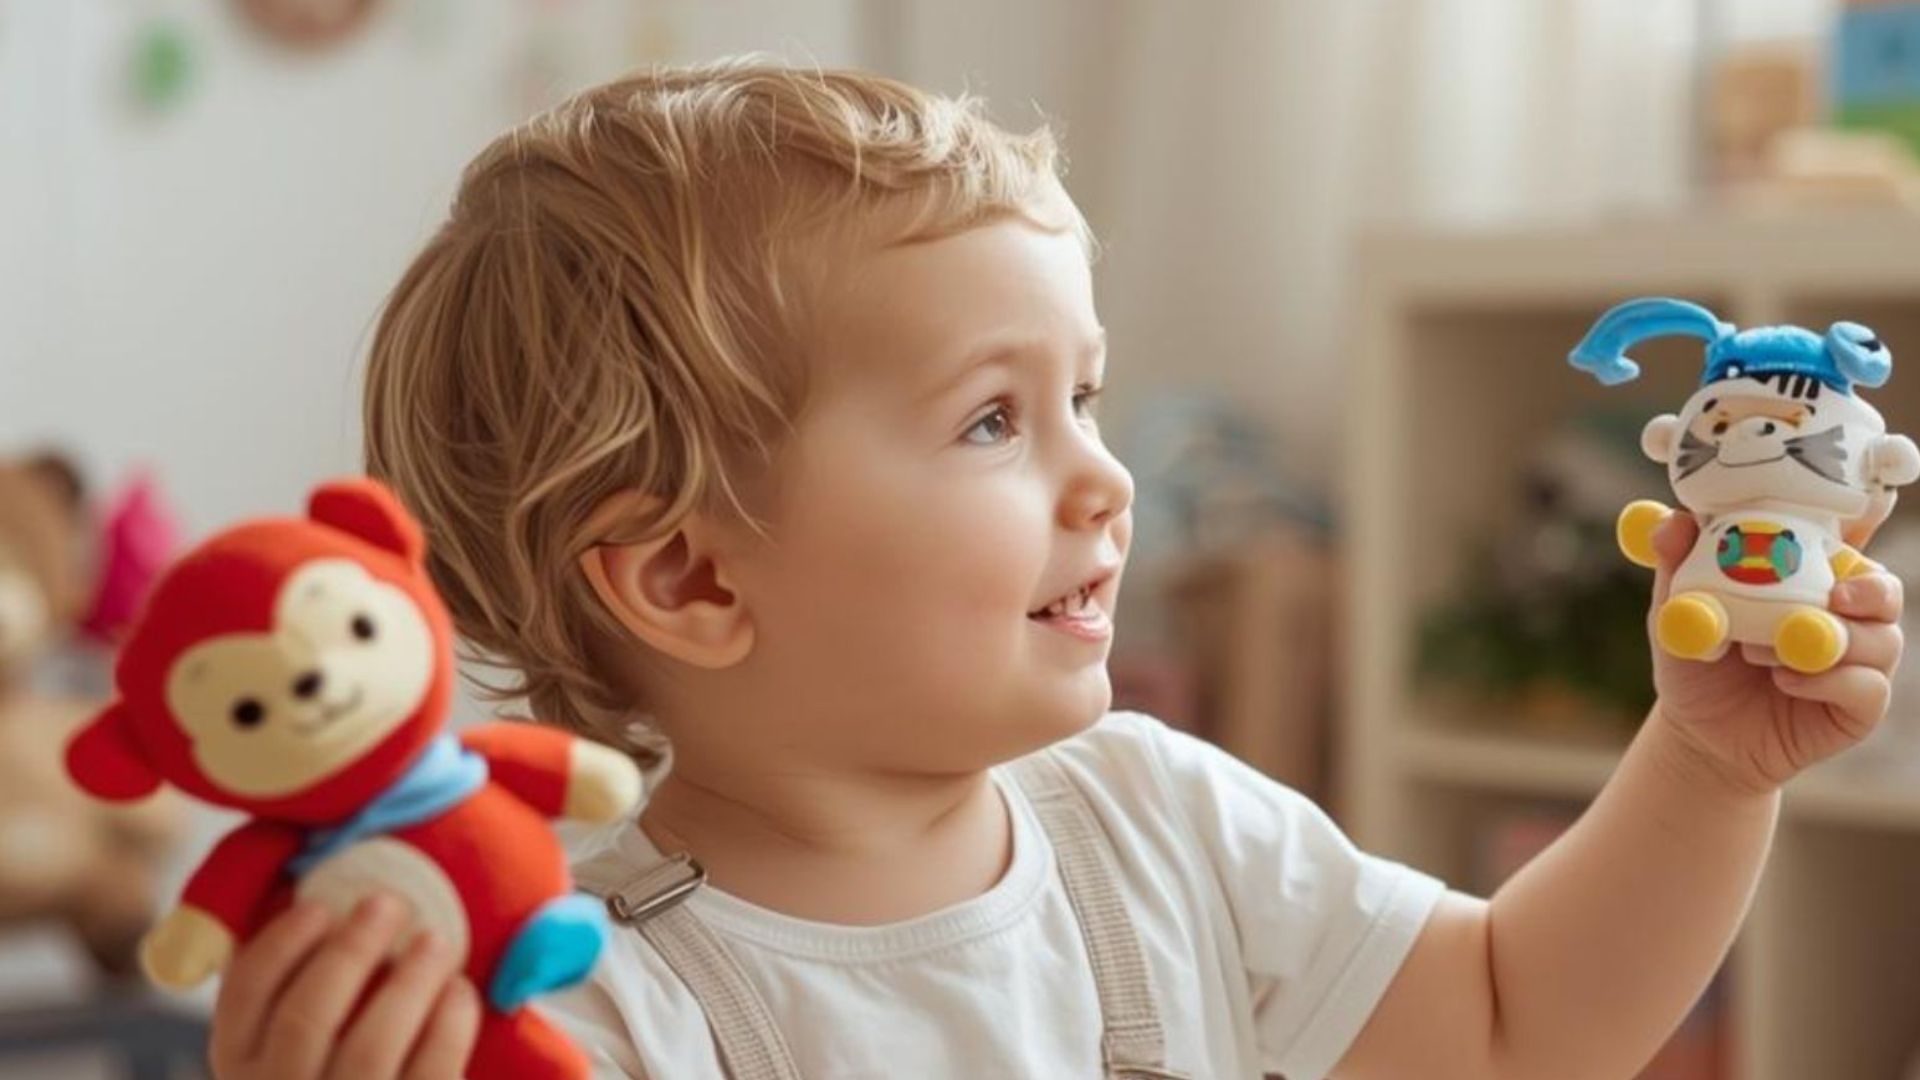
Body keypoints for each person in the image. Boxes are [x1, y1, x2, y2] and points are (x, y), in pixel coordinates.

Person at [205, 60, 1906, 1079]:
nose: (1104, 479)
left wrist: (1702, 763)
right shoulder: (598, 990)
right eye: (991, 423)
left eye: (1080, 393)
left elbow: (1522, 1030)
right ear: (692, 583)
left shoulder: (1158, 817)